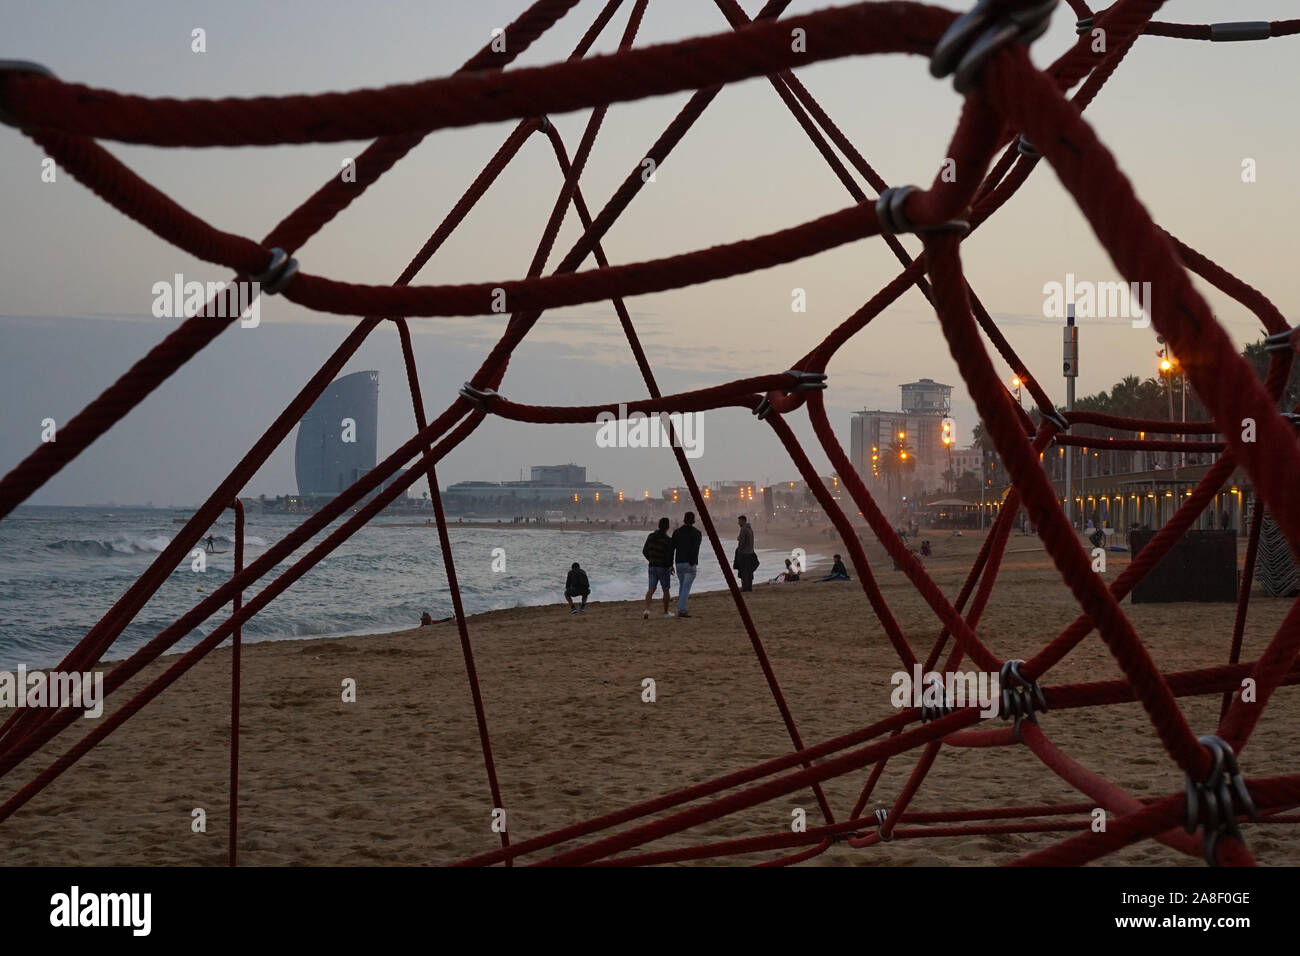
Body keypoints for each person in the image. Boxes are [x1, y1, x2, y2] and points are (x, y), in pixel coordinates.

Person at [671, 512, 702, 618]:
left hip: (679, 563)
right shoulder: (697, 533)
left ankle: (681, 608)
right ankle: (681, 610)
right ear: (693, 520)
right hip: (690, 563)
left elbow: (671, 549)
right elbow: (695, 549)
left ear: (684, 519)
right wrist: (692, 562)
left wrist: (670, 564)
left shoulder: (677, 532)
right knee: (686, 587)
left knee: (682, 586)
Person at [642, 517, 675, 618]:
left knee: (651, 589)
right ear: (667, 527)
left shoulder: (651, 536)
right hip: (663, 567)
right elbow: (669, 556)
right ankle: (665, 612)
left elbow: (644, 551)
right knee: (665, 589)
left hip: (652, 566)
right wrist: (670, 566)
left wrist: (651, 559)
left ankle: (647, 610)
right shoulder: (667, 540)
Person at [733, 515, 758, 592]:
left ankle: (745, 588)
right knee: (749, 572)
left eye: (739, 521)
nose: (738, 523)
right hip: (750, 553)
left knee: (744, 572)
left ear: (743, 521)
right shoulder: (750, 529)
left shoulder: (743, 529)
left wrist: (739, 552)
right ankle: (749, 587)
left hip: (744, 554)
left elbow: (742, 543)